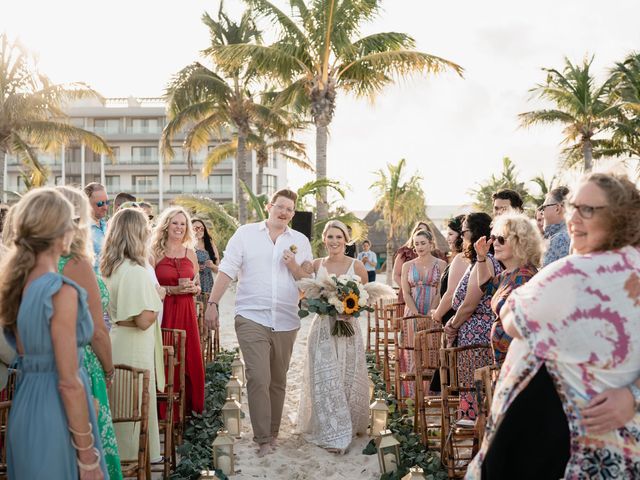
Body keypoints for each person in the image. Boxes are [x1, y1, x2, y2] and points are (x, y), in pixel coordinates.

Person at [468, 172, 640, 479]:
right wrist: (633, 395)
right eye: (573, 206)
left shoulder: (572, 273)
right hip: (624, 454)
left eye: (589, 210)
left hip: (570, 450)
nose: (574, 218)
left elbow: (512, 319)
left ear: (619, 217)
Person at [2, 188, 107, 479]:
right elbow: (68, 383)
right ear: (61, 232)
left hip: (24, 409)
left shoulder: (16, 288)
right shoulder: (60, 292)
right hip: (56, 414)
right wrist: (87, 455)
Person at [204, 189, 313, 457]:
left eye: (290, 209)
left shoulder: (300, 240)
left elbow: (306, 282)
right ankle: (263, 438)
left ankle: (273, 433)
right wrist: (212, 303)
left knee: (278, 380)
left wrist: (293, 267)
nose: (284, 212)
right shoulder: (246, 234)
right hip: (251, 315)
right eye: (280, 207)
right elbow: (228, 269)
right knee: (258, 377)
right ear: (269, 206)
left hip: (287, 319)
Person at [56, 186, 122, 480]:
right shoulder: (76, 262)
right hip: (83, 365)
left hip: (43, 369)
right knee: (88, 452)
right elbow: (97, 331)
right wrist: (108, 369)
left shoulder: (30, 263)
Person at [297, 220, 369, 452]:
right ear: (324, 239)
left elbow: (364, 298)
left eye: (339, 237)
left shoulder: (357, 266)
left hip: (348, 329)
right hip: (322, 329)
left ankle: (347, 423)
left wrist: (350, 311)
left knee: (346, 375)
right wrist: (314, 302)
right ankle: (329, 427)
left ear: (346, 240)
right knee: (323, 376)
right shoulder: (316, 264)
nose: (334, 241)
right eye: (330, 237)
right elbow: (304, 294)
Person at [101, 208, 164, 463]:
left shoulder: (112, 267)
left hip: (118, 339)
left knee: (121, 406)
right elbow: (143, 320)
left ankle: (121, 461)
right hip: (134, 345)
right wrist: (158, 298)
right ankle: (133, 462)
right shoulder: (136, 271)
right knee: (134, 406)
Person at [445, 212, 502, 419]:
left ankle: (475, 433)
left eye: (465, 230)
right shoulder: (482, 261)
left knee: (474, 387)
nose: (462, 235)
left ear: (476, 232)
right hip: (474, 333)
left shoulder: (485, 262)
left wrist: (452, 325)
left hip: (476, 337)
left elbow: (470, 303)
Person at [151, 206, 205, 416]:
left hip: (187, 311)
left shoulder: (190, 253)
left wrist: (196, 289)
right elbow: (151, 288)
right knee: (166, 357)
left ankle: (192, 410)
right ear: (166, 225)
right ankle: (165, 412)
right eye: (175, 223)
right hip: (165, 312)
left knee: (190, 359)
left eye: (183, 224)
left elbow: (197, 283)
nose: (179, 227)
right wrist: (173, 290)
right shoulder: (154, 253)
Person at [472, 214, 542, 366]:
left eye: (502, 239)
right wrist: (481, 258)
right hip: (507, 361)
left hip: (519, 363)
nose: (495, 243)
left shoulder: (524, 277)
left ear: (520, 243)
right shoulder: (508, 274)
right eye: (494, 238)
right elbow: (486, 285)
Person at [400, 229, 447, 396]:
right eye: (416, 244)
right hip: (411, 312)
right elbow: (406, 293)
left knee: (431, 350)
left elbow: (441, 292)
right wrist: (416, 314)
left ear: (431, 244)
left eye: (423, 243)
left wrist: (429, 314)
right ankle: (412, 395)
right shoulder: (407, 266)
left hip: (433, 312)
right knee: (412, 350)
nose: (419, 246)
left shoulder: (441, 265)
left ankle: (430, 395)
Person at [393, 221, 431, 303]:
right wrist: (409, 291)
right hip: (408, 297)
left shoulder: (435, 255)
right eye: (419, 230)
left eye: (425, 232)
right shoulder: (405, 252)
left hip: (429, 299)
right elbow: (396, 275)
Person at [541, 186, 571, 267]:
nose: (541, 212)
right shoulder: (565, 235)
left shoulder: (560, 238)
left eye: (543, 207)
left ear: (557, 208)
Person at [83, 182, 109, 269]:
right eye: (100, 203)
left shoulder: (108, 226)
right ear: (87, 204)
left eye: (107, 202)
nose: (105, 207)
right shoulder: (81, 230)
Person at [193, 219, 219, 297]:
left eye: (202, 228)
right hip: (193, 284)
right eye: (196, 228)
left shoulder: (210, 244)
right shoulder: (186, 244)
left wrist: (211, 265)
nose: (199, 230)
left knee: (207, 307)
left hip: (208, 284)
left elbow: (218, 269)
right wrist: (195, 268)